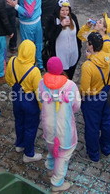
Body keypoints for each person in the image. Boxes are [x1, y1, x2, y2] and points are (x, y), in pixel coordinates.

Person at [38, 57, 81, 193]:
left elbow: (40, 98)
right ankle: (57, 183)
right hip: (65, 129)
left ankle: (50, 168)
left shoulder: (41, 83)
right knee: (63, 155)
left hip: (48, 125)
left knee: (51, 147)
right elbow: (76, 106)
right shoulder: (71, 86)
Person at [80, 32, 110, 162]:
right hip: (107, 94)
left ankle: (93, 153)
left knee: (92, 126)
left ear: (90, 46)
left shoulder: (88, 66)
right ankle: (106, 148)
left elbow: (85, 89)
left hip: (93, 99)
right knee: (106, 122)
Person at [4, 40, 43, 163]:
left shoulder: (12, 61)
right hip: (30, 102)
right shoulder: (34, 71)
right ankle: (28, 154)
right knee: (30, 127)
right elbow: (39, 92)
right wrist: (42, 107)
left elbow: (8, 79)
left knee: (19, 121)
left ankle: (19, 144)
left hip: (16, 97)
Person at [4, 0, 43, 69]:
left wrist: (15, 6)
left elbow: (28, 13)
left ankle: (29, 66)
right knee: (38, 43)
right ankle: (40, 64)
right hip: (37, 20)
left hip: (27, 25)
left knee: (27, 46)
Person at [44, 0, 81, 79]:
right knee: (60, 77)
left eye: (67, 10)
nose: (65, 13)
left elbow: (78, 34)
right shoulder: (52, 19)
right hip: (59, 56)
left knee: (70, 76)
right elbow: (49, 36)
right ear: (58, 10)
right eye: (62, 10)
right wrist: (60, 26)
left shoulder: (73, 17)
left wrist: (79, 49)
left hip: (73, 55)